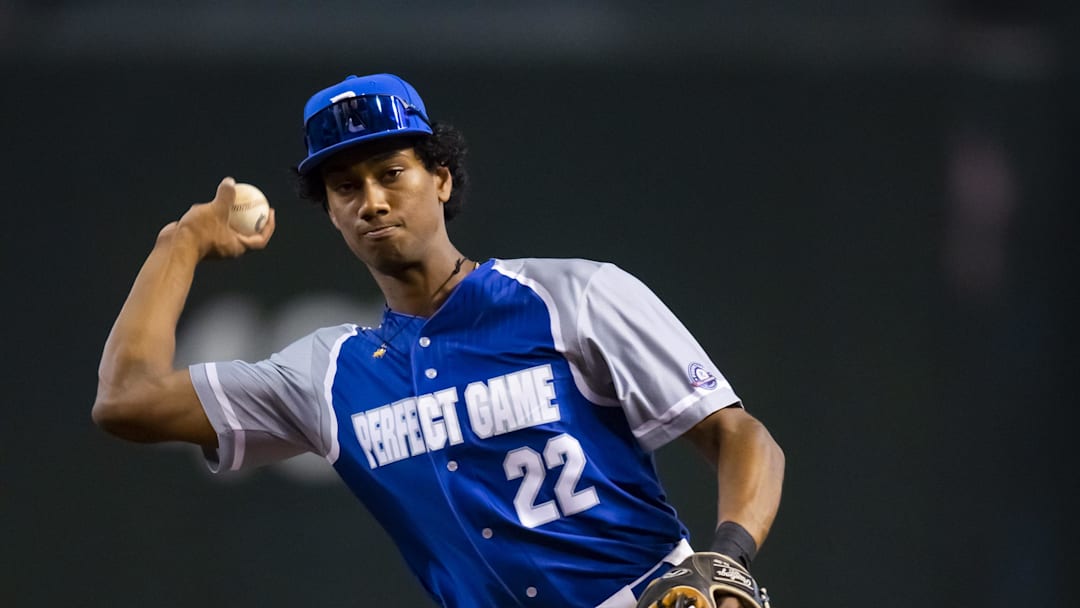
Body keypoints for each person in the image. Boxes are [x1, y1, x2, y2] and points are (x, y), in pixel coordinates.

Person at [93, 73, 784, 608]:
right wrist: (179, 243)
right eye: (345, 186)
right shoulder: (328, 375)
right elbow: (127, 400)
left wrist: (727, 556)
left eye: (392, 172)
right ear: (332, 213)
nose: (372, 200)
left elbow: (741, 435)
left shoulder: (573, 296)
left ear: (441, 178)